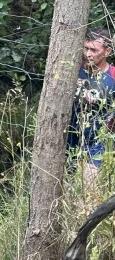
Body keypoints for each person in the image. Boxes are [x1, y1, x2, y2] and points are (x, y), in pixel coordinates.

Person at [67, 28, 115, 182]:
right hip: (70, 141)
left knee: (89, 188)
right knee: (66, 189)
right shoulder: (74, 69)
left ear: (107, 52)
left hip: (98, 143)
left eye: (94, 50)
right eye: (86, 48)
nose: (88, 54)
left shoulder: (113, 77)